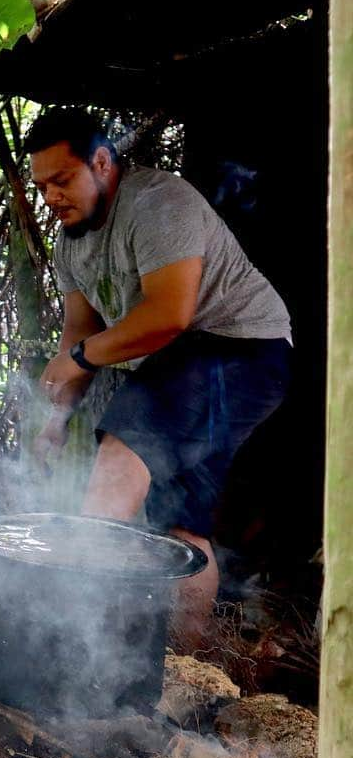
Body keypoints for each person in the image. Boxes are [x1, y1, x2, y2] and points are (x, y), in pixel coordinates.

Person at [26, 108, 291, 651]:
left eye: (62, 180)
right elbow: (79, 335)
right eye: (41, 186)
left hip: (240, 347)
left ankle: (70, 642)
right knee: (182, 523)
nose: (51, 198)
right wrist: (56, 418)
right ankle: (187, 660)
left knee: (120, 458)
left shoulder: (157, 203)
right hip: (191, 360)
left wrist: (80, 357)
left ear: (101, 163)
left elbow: (169, 315)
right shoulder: (70, 244)